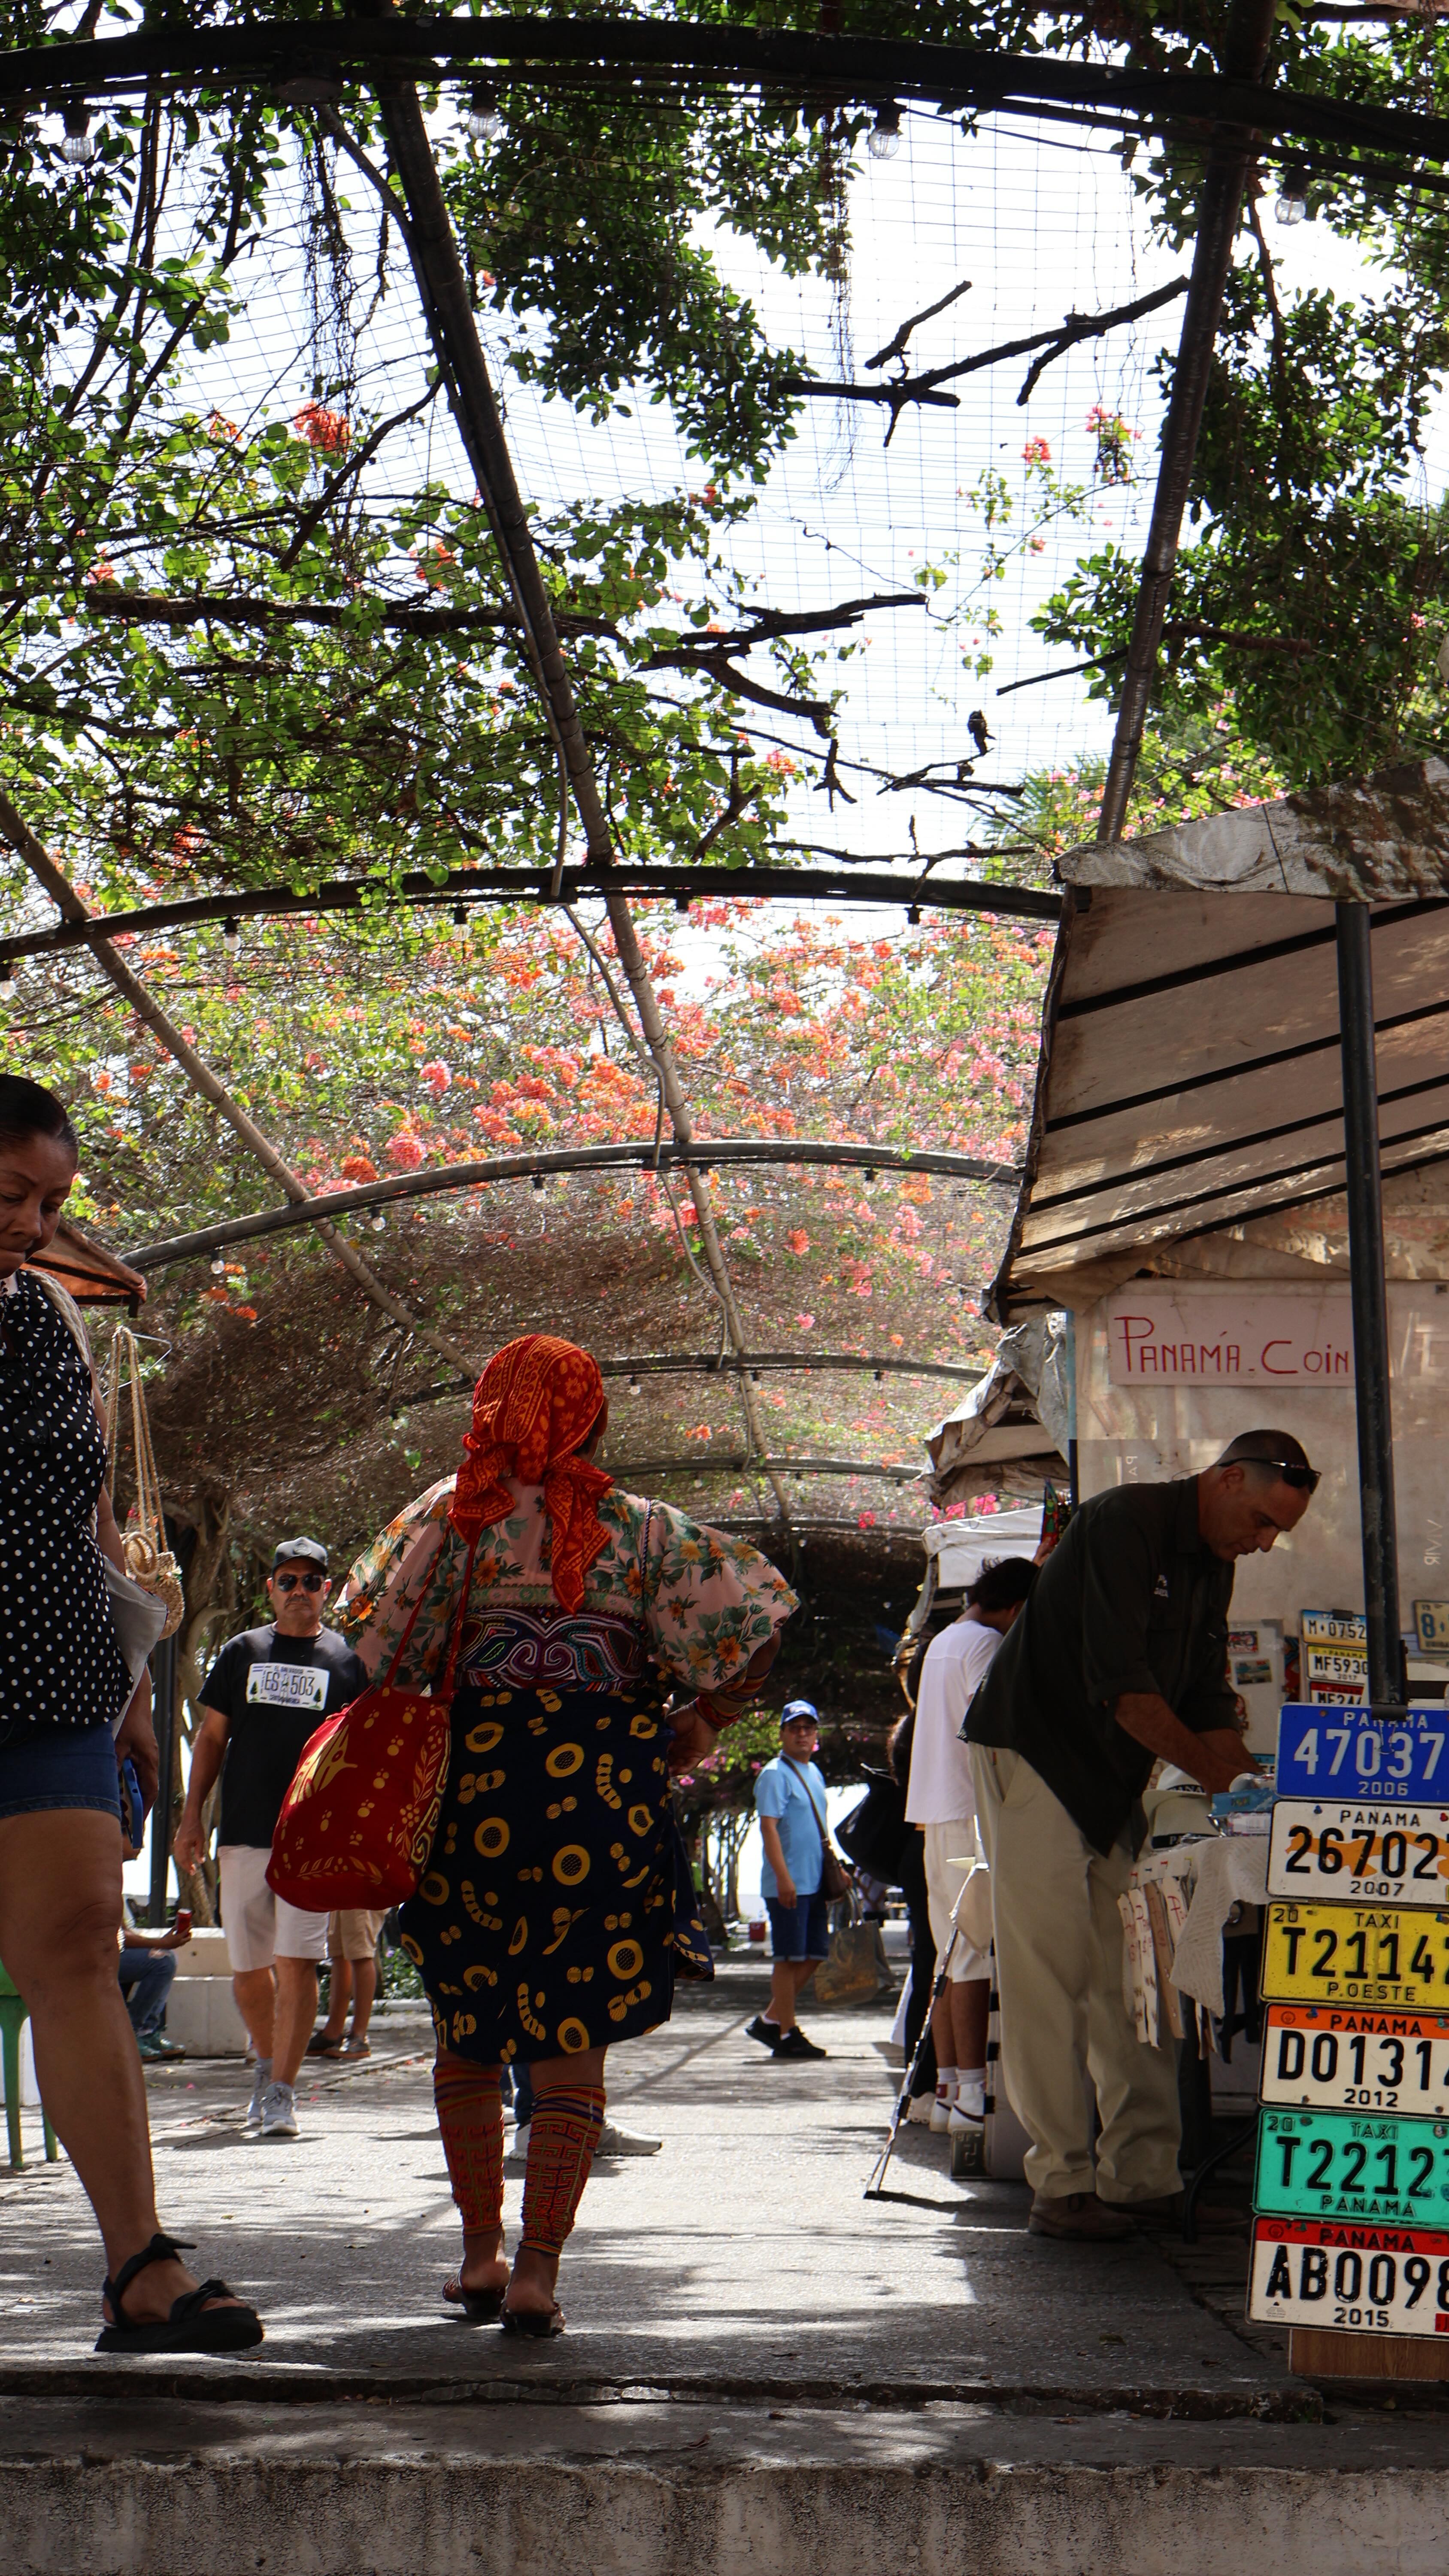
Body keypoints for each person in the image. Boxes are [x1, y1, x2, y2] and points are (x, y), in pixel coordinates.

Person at [336, 1333, 795, 2334]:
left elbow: (362, 1640)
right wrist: (704, 1721)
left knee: (469, 2033)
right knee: (570, 2036)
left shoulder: (446, 1521)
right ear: (590, 1416)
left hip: (471, 1805)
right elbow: (759, 1618)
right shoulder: (640, 1530)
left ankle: (480, 2255)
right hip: (603, 1804)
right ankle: (541, 2267)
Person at [0, 1074, 261, 2353]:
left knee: (80, 1949)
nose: (33, 1222)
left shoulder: (48, 1313)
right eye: (10, 1193)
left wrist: (131, 1688)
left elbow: (90, 1510)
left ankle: (139, 2266)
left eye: (49, 1201)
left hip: (49, 1672)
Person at [967, 1433, 1317, 2242]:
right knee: (1052, 1973)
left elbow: (1199, 1689)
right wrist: (1223, 1780)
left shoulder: (1213, 1554)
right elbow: (1123, 1687)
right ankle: (1061, 2184)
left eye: (1277, 1535)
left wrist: (1255, 1793)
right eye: (1262, 1522)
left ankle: (1141, 2176)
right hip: (1036, 1751)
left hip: (1112, 1774)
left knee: (1135, 1972)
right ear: (1228, 1479)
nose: (1262, 1544)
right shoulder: (1124, 1521)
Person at [173, 1537, 365, 2141]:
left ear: (326, 1591)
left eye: (312, 1582)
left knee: (299, 1962)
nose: (300, 1592)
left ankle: (283, 2092)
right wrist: (189, 1819)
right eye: (289, 1581)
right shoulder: (242, 1651)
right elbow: (210, 1740)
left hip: (312, 1840)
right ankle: (264, 2066)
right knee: (251, 1968)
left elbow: (362, 1753)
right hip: (245, 1833)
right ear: (271, 1589)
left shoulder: (347, 1661)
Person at [907, 1557, 1035, 2139]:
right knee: (972, 1956)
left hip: (936, 1813)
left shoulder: (942, 1642)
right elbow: (996, 1731)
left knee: (947, 1960)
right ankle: (970, 2097)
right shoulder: (983, 1644)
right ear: (1016, 1607)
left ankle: (950, 2092)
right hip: (967, 1812)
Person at [747, 1701, 832, 2063]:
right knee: (787, 1957)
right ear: (781, 1733)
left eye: (808, 1728)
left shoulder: (814, 1772)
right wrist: (783, 1878)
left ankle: (770, 2019)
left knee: (815, 1955)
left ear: (816, 1735)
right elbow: (768, 1827)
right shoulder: (774, 1774)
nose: (802, 1734)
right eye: (794, 1728)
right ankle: (786, 2032)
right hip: (788, 1883)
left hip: (815, 1882)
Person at [308, 1908, 387, 2060]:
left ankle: (359, 2036)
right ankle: (333, 2032)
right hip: (340, 1889)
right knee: (338, 1953)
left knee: (361, 1952)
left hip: (363, 1890)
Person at [118, 1901, 190, 2061]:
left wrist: (161, 1944)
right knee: (162, 1962)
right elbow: (115, 1937)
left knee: (165, 1957)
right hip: (92, 1957)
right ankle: (132, 2034)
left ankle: (147, 2032)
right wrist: (160, 1944)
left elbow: (121, 1931)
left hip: (111, 1951)